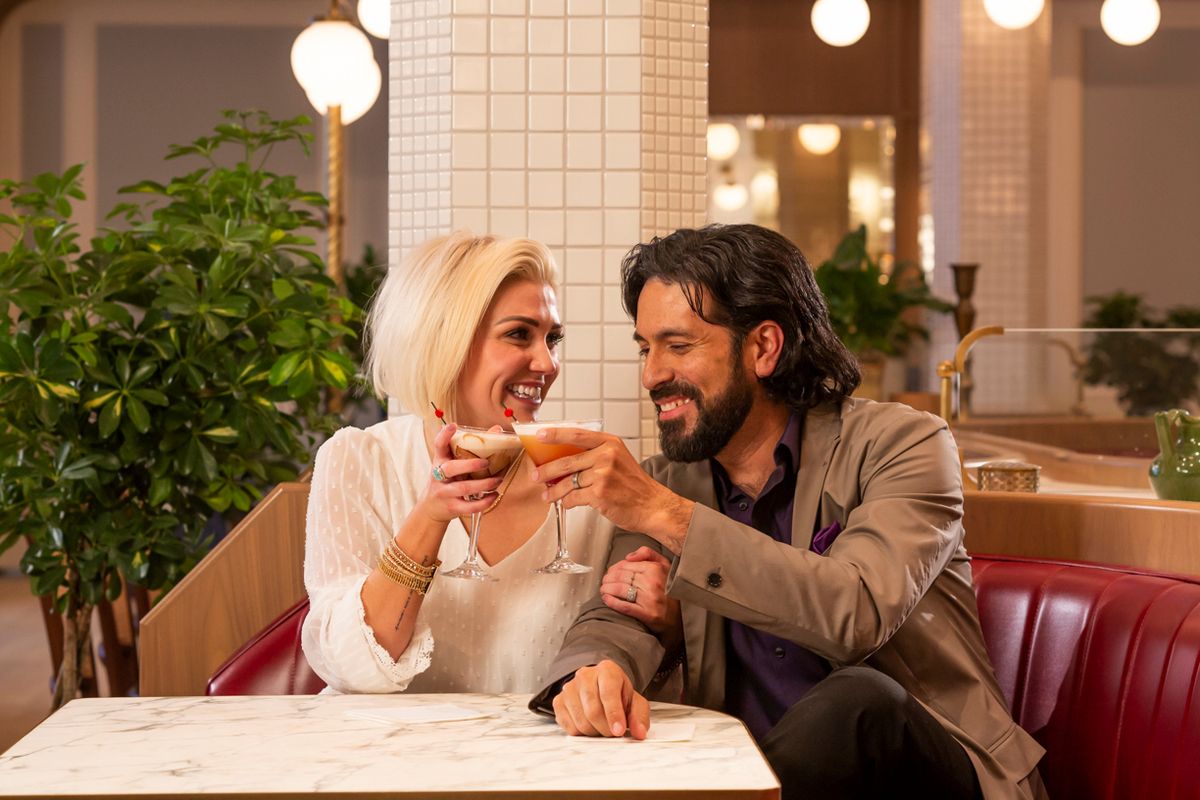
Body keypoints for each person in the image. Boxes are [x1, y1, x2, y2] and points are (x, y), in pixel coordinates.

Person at [526, 224, 1046, 799]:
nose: (652, 374)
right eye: (645, 348)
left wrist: (664, 514)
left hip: (925, 777)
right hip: (757, 777)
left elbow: (858, 611)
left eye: (678, 346)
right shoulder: (669, 483)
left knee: (858, 703)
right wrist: (597, 671)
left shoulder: (904, 445)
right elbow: (618, 614)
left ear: (764, 348)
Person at [301, 232, 670, 694]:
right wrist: (430, 516)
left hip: (540, 742)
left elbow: (634, 652)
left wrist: (666, 616)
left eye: (552, 338)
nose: (547, 363)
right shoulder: (361, 460)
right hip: (387, 741)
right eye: (519, 334)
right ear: (446, 340)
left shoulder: (590, 479)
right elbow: (349, 670)